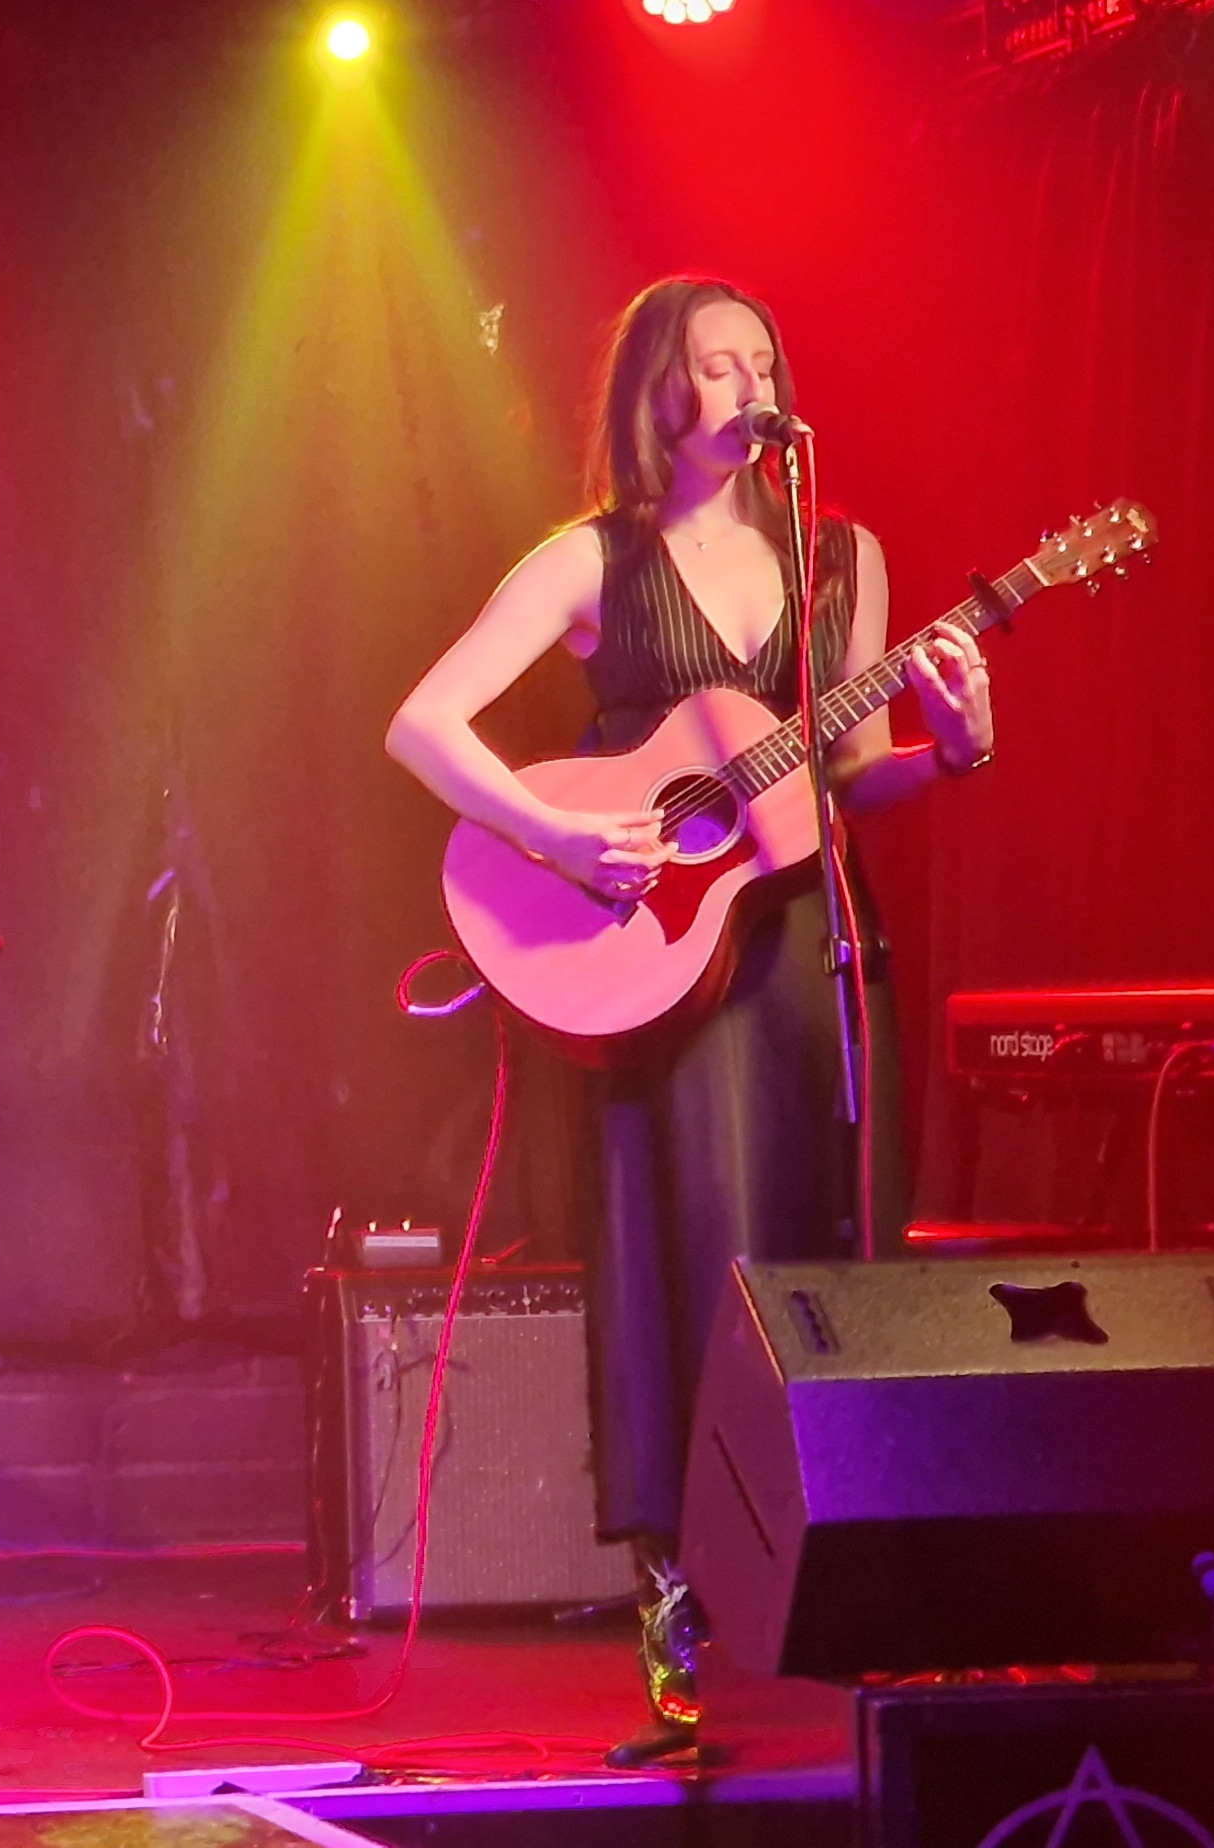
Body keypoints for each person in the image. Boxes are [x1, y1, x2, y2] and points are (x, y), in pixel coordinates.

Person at [383, 277, 994, 1765]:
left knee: (838, 1250)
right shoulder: (593, 558)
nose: (746, 386)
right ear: (655, 393)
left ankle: (850, 1593)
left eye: (761, 362)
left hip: (811, 949)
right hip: (664, 955)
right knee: (698, 1262)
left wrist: (952, 753)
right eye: (713, 365)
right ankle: (684, 1604)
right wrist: (553, 834)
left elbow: (841, 774)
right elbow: (422, 723)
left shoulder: (841, 554)